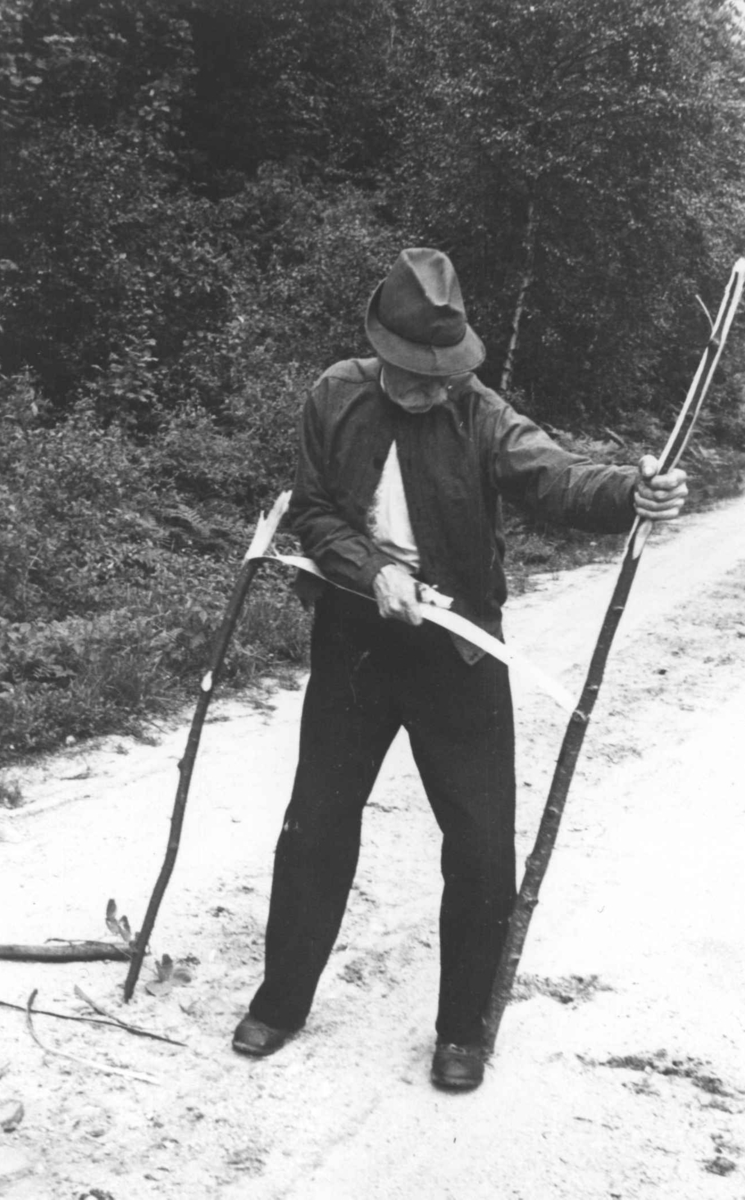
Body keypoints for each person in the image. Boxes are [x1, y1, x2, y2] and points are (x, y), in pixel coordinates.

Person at [231, 248, 688, 1090]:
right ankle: (281, 1001)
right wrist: (373, 569)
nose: (433, 388)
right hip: (357, 642)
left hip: (459, 650)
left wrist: (632, 491)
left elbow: (555, 476)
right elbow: (316, 514)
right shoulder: (334, 394)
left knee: (480, 847)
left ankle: (462, 1032)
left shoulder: (479, 414)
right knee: (315, 828)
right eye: (416, 374)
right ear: (382, 352)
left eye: (445, 374)